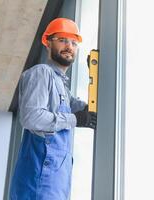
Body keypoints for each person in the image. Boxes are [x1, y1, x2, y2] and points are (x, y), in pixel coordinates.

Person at [9, 18, 97, 200]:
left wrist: (97, 76)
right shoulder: (42, 73)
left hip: (56, 183)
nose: (69, 46)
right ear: (48, 42)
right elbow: (31, 117)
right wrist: (75, 119)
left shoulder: (62, 87)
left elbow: (87, 110)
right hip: (38, 182)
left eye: (73, 43)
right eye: (63, 40)